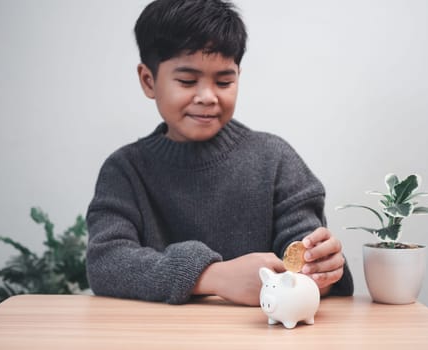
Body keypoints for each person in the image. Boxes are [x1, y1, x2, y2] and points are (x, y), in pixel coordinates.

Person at [86, 0, 353, 306]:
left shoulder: (275, 159)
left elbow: (307, 258)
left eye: (224, 81)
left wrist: (322, 269)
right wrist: (213, 276)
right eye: (187, 81)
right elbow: (106, 263)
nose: (207, 97)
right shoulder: (125, 170)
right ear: (149, 80)